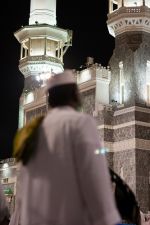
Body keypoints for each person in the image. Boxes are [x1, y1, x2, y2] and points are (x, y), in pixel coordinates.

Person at [13, 70, 121, 225]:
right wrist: (108, 219)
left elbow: (22, 186)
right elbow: (94, 177)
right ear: (74, 94)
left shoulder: (32, 132)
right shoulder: (80, 123)